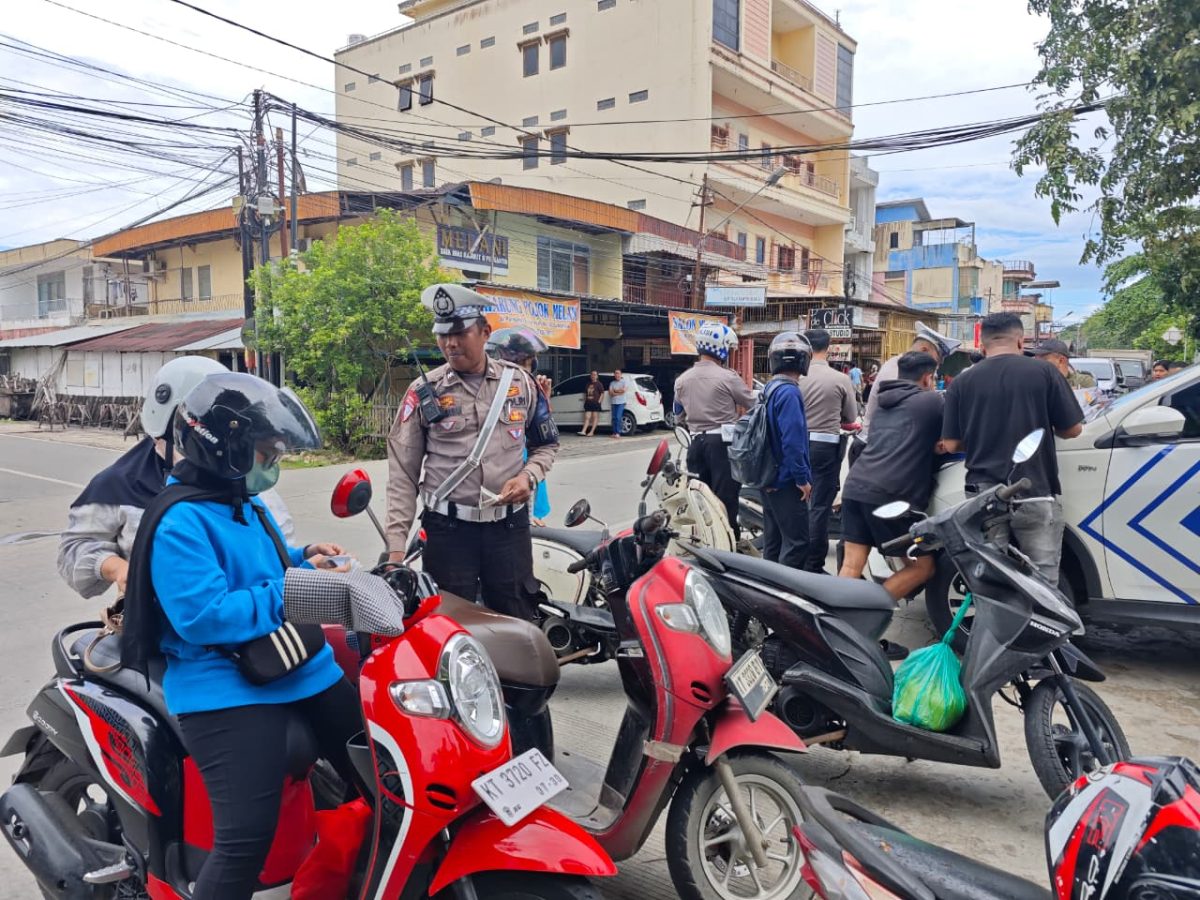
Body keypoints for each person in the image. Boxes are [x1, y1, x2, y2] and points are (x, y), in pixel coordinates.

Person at [121, 372, 360, 900]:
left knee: (381, 779)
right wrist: (297, 586)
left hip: (296, 659)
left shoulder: (243, 502)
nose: (275, 463)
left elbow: (262, 567)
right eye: (267, 452)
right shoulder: (179, 521)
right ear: (223, 450)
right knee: (245, 840)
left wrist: (304, 557)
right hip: (224, 684)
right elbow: (204, 616)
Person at [57, 356, 306, 601]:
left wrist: (302, 559)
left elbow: (276, 551)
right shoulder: (121, 484)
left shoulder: (245, 481)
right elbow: (74, 549)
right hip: (166, 619)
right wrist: (118, 569)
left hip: (255, 613)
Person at [386, 283, 559, 620]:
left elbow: (547, 444)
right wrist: (395, 552)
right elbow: (402, 476)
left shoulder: (521, 384)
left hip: (508, 530)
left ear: (485, 332)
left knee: (516, 619)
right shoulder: (423, 392)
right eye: (442, 334)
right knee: (450, 625)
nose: (450, 343)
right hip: (448, 533)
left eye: (460, 333)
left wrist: (528, 476)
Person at [942, 312, 1084, 586]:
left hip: (984, 495)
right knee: (1042, 579)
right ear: (1020, 341)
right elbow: (1073, 429)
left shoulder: (962, 381)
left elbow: (951, 444)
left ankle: (997, 614)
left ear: (982, 345)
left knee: (990, 578)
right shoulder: (1044, 372)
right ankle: (1041, 614)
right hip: (1034, 489)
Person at [840, 351, 946, 606]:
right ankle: (868, 614)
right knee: (923, 567)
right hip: (891, 495)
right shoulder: (932, 401)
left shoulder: (883, 405)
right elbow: (951, 441)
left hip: (856, 486)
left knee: (852, 565)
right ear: (927, 378)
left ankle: (835, 620)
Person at [673, 320, 754, 536]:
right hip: (722, 445)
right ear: (720, 348)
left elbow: (678, 414)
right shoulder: (728, 377)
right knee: (725, 500)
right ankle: (729, 543)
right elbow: (752, 403)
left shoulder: (682, 380)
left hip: (694, 445)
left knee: (699, 500)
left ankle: (704, 541)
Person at [798, 329, 859, 573]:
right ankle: (814, 565)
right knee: (819, 507)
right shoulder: (840, 379)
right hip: (826, 447)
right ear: (829, 348)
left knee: (796, 504)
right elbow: (851, 416)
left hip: (796, 445)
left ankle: (795, 560)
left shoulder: (795, 377)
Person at [486, 326, 553, 524]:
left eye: (527, 365)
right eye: (524, 364)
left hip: (525, 473)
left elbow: (542, 439)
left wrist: (543, 399)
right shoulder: (488, 391)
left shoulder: (529, 390)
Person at [761, 332, 814, 568]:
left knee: (773, 542)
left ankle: (767, 586)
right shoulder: (790, 392)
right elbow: (792, 442)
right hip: (786, 481)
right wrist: (802, 478)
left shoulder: (770, 388)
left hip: (768, 477)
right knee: (797, 544)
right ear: (803, 360)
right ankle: (785, 589)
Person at [861, 321, 962, 443]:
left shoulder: (900, 365)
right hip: (880, 443)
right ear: (924, 350)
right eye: (936, 361)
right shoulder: (897, 370)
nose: (937, 367)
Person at [1030, 339, 1096, 388]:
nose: (1037, 363)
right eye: (1036, 359)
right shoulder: (1034, 381)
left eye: (1043, 359)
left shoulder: (1083, 381)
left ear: (1061, 360)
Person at [582, 370, 604, 436]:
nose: (593, 376)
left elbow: (602, 393)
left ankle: (592, 432)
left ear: (597, 376)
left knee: (595, 417)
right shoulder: (588, 384)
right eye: (592, 374)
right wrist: (585, 400)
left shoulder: (599, 384)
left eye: (595, 374)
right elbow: (585, 393)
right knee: (587, 417)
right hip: (588, 403)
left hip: (595, 403)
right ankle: (583, 431)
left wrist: (599, 402)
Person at [609, 368, 627, 438]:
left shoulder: (624, 382)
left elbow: (624, 391)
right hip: (613, 402)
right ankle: (614, 432)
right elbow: (611, 393)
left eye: (618, 373)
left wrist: (615, 391)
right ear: (614, 375)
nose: (617, 375)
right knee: (614, 418)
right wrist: (619, 392)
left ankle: (618, 432)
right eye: (616, 373)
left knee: (618, 417)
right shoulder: (612, 383)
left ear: (621, 374)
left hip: (621, 402)